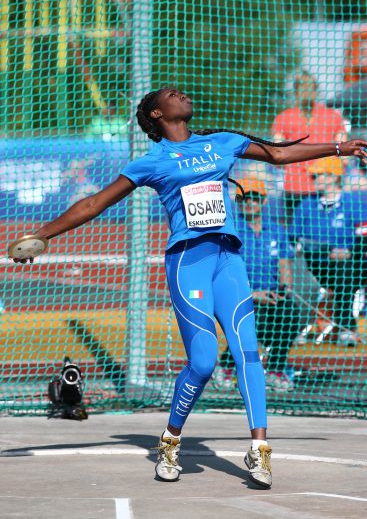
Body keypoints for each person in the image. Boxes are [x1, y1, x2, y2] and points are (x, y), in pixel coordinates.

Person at [10, 88, 367, 489]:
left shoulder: (222, 143)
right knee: (203, 362)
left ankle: (259, 449)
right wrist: (42, 234)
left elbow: (279, 155)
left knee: (249, 352)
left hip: (228, 261)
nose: (181, 94)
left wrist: (340, 147)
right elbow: (95, 203)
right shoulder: (153, 161)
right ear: (158, 113)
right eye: (170, 94)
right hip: (188, 263)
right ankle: (170, 440)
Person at [218, 177, 303, 393]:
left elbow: (284, 264)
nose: (250, 204)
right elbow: (226, 272)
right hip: (240, 295)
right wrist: (254, 294)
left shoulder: (276, 230)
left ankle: (275, 369)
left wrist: (284, 289)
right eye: (245, 199)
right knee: (253, 318)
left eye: (255, 199)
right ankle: (226, 366)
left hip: (272, 295)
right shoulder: (230, 230)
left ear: (263, 202)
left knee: (292, 314)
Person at [290, 157, 367, 346]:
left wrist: (350, 252)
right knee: (297, 272)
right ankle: (296, 328)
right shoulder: (307, 205)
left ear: (333, 177)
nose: (314, 179)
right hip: (314, 264)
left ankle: (346, 328)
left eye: (319, 175)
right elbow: (294, 239)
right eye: (314, 176)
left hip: (351, 265)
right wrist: (327, 250)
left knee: (346, 270)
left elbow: (364, 238)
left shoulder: (353, 203)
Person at [272, 71, 348, 225]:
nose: (307, 91)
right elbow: (276, 156)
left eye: (309, 87)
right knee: (296, 236)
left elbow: (344, 156)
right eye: (303, 87)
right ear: (296, 91)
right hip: (296, 188)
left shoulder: (332, 116)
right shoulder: (284, 118)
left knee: (322, 235)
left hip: (324, 189)